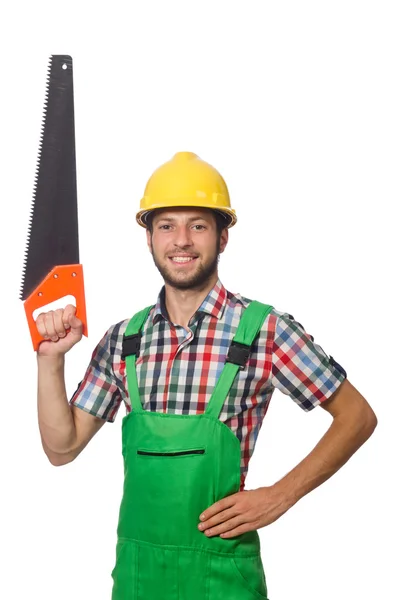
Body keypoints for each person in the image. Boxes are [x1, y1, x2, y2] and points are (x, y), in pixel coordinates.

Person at [36, 151, 377, 599]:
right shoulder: (124, 339)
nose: (181, 240)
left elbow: (358, 416)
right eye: (166, 225)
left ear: (222, 236)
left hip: (222, 579)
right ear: (148, 237)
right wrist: (50, 360)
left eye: (197, 225)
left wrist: (279, 495)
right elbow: (62, 449)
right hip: (139, 579)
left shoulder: (264, 330)